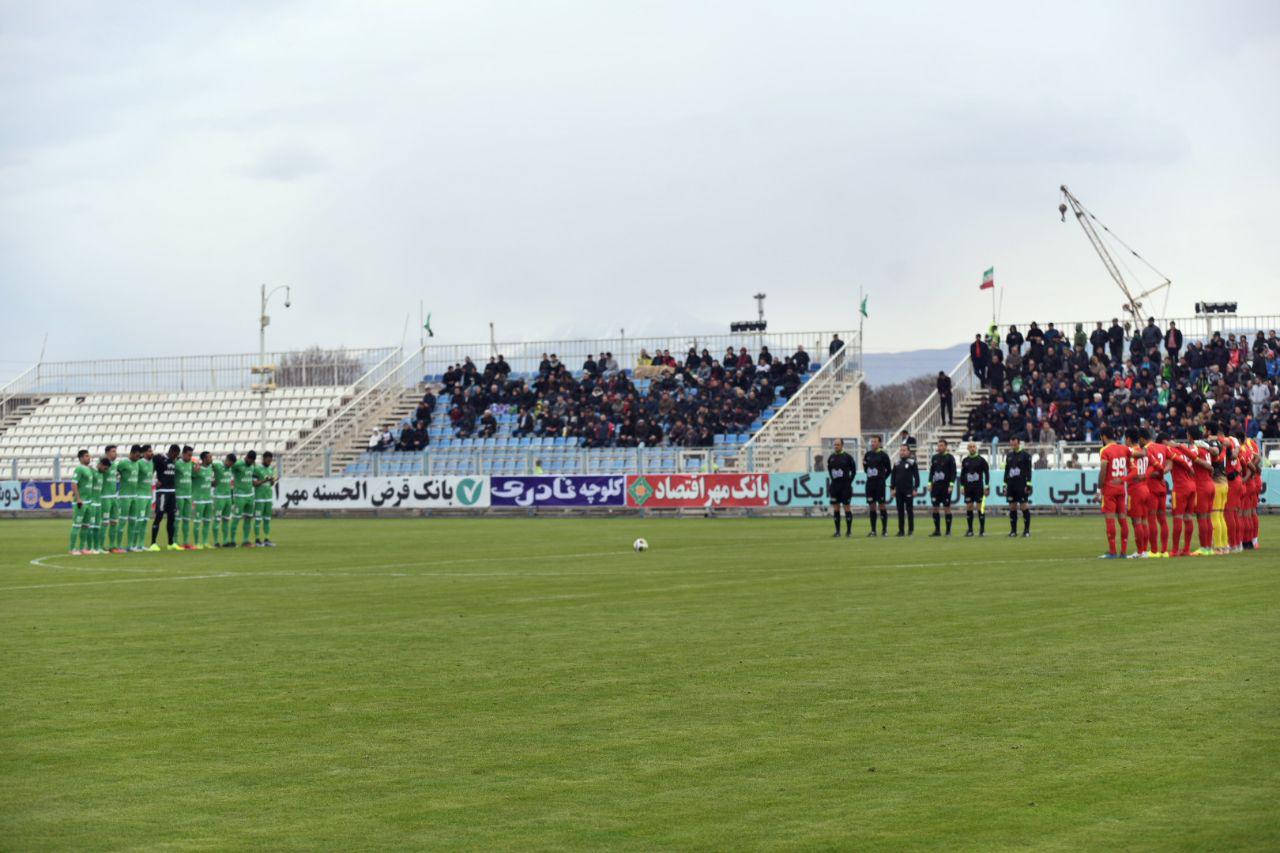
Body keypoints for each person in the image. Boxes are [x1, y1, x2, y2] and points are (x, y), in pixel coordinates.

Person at [1098, 427, 1131, 558]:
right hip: (1121, 488)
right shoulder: (1124, 448)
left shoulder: (1104, 450)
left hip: (1109, 488)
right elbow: (1130, 462)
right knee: (1123, 519)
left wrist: (1100, 486)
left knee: (1110, 519)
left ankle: (1112, 551)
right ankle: (1123, 551)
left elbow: (1104, 469)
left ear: (1103, 437)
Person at [1124, 428, 1152, 558]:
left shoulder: (1131, 452)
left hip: (1135, 489)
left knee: (1136, 521)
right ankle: (1145, 550)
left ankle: (1140, 551)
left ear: (1128, 439)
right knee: (1144, 520)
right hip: (1146, 488)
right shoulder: (1143, 451)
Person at [1168, 437, 1198, 557]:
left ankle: (1175, 550)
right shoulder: (1190, 451)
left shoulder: (1171, 451)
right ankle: (1186, 549)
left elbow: (1169, 467)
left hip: (1180, 487)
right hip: (1192, 486)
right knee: (1188, 518)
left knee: (1178, 518)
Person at [1144, 431, 1171, 557]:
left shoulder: (1146, 449)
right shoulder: (1164, 448)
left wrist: (1156, 473)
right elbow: (1171, 462)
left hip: (1152, 487)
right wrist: (1163, 472)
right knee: (1162, 519)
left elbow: (1146, 469)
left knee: (1152, 518)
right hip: (1162, 486)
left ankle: (1154, 551)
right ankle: (1164, 551)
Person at [148, 444, 177, 551]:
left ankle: (170, 543)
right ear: (171, 451)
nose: (175, 456)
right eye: (175, 454)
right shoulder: (160, 458)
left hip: (172, 492)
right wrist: (154, 481)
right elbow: (151, 471)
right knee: (159, 516)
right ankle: (153, 543)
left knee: (171, 517)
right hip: (162, 492)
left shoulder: (174, 460)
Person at [1003, 436, 1033, 538]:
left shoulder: (1025, 455)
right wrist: (1005, 485)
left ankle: (1026, 530)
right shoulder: (1009, 455)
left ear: (1019, 443)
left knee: (1024, 506)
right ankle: (1013, 531)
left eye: (1015, 444)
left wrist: (1029, 484)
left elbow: (1029, 471)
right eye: (1012, 444)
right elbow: (1007, 471)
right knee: (1012, 507)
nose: (1013, 446)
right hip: (1011, 484)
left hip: (1021, 484)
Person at [826, 439, 856, 537]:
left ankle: (849, 531)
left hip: (845, 487)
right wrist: (834, 481)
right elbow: (830, 471)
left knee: (847, 508)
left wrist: (848, 482)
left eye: (838, 445)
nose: (836, 446)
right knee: (836, 508)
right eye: (835, 445)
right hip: (835, 487)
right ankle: (837, 531)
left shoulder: (848, 457)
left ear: (842, 445)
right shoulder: (831, 457)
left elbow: (854, 471)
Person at [862, 435, 891, 536]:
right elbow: (865, 468)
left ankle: (884, 530)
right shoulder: (867, 455)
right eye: (872, 441)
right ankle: (873, 530)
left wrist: (882, 478)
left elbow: (889, 470)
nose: (873, 443)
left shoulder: (883, 455)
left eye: (875, 441)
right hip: (870, 484)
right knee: (872, 506)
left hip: (880, 484)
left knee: (882, 505)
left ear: (879, 443)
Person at [959, 442, 990, 537]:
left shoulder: (981, 460)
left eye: (974, 447)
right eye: (970, 447)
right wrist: (962, 486)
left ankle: (982, 530)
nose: (972, 448)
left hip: (979, 487)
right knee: (969, 507)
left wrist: (987, 486)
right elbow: (962, 475)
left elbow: (987, 473)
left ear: (976, 448)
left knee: (980, 508)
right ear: (968, 449)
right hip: (968, 488)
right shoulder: (965, 460)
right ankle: (970, 530)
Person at [927, 439, 956, 536]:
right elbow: (932, 472)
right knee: (935, 508)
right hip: (936, 487)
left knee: (946, 508)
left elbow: (953, 473)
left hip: (946, 487)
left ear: (946, 447)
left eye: (942, 446)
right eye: (938, 445)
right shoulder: (934, 458)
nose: (939, 447)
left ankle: (948, 531)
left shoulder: (950, 458)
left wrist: (951, 485)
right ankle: (937, 530)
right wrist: (929, 483)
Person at [889, 445, 919, 537]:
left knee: (909, 510)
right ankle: (901, 531)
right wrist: (892, 488)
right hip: (899, 490)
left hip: (908, 490)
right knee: (900, 511)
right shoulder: (896, 463)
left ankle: (910, 530)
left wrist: (915, 488)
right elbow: (893, 477)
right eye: (901, 450)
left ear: (909, 452)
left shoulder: (912, 463)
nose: (902, 452)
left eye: (904, 450)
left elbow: (916, 477)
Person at [69, 450, 95, 555]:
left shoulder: (89, 469)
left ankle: (82, 548)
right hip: (81, 502)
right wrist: (78, 498)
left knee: (85, 526)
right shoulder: (79, 468)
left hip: (89, 502)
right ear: (80, 458)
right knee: (76, 525)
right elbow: (74, 483)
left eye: (89, 456)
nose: (88, 458)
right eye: (86, 456)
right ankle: (72, 549)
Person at [230, 450, 257, 547]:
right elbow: (229, 469)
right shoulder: (238, 464)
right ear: (247, 457)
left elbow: (252, 476)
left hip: (250, 495)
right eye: (250, 460)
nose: (251, 462)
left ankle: (246, 540)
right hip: (239, 496)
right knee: (236, 518)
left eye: (253, 461)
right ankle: (232, 540)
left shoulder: (252, 465)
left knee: (248, 518)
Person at [253, 451, 277, 547]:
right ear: (263, 459)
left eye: (271, 461)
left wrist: (272, 481)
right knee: (258, 519)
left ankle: (267, 539)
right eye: (268, 460)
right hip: (260, 498)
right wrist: (265, 480)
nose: (269, 462)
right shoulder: (257, 469)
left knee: (267, 519)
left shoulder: (271, 469)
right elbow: (254, 483)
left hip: (268, 498)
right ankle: (257, 540)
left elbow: (271, 484)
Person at [174, 445, 195, 550]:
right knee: (177, 519)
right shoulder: (177, 464)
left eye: (191, 455)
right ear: (183, 454)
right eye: (188, 455)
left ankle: (186, 542)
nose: (190, 457)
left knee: (187, 519)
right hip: (179, 495)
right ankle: (175, 542)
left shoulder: (191, 463)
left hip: (188, 495)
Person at [134, 445, 155, 552]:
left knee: (145, 521)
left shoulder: (152, 463)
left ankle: (141, 544)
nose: (151, 453)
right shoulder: (139, 463)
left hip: (148, 495)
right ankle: (133, 545)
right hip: (140, 495)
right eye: (149, 451)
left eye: (152, 451)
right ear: (143, 453)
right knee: (139, 520)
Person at [192, 451, 214, 550]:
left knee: (207, 521)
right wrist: (195, 469)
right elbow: (192, 477)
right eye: (209, 457)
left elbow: (210, 482)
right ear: (204, 459)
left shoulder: (210, 468)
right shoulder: (197, 468)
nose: (211, 459)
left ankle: (205, 542)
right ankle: (197, 543)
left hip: (208, 499)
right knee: (197, 522)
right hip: (198, 499)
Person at [100, 445, 120, 552]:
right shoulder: (102, 463)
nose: (115, 453)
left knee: (114, 522)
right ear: (107, 453)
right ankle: (100, 546)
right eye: (113, 451)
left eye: (115, 451)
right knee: (104, 522)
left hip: (114, 498)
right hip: (105, 498)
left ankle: (113, 546)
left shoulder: (115, 465)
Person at [212, 453, 234, 548]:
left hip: (228, 498)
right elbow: (208, 465)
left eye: (232, 463)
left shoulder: (230, 469)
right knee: (217, 519)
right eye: (230, 462)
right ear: (227, 460)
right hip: (219, 497)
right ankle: (216, 541)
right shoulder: (218, 465)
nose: (230, 465)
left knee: (226, 520)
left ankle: (225, 541)